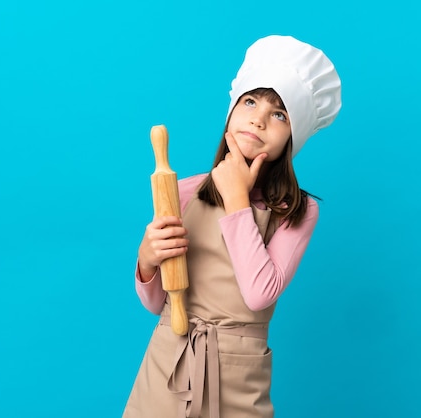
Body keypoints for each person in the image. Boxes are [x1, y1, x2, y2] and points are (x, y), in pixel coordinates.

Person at [123, 35, 342, 418]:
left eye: (279, 114)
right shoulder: (184, 190)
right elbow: (158, 302)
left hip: (238, 374)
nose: (258, 117)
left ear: (293, 137)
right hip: (168, 362)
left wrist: (237, 199)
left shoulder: (297, 210)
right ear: (231, 112)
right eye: (250, 102)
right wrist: (146, 261)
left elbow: (260, 294)